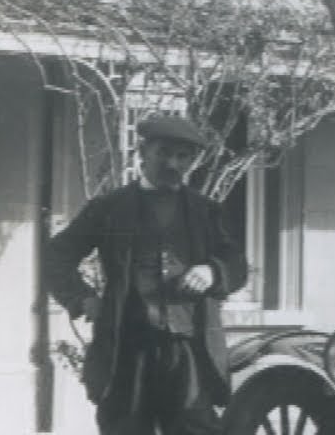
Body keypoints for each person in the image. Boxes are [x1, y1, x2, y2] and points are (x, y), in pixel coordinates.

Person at [45, 115, 247, 435]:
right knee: (125, 428)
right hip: (127, 347)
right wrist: (81, 298)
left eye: (182, 156)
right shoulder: (109, 208)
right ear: (143, 152)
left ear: (192, 162)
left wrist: (213, 271)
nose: (172, 163)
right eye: (163, 152)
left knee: (196, 429)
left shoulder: (206, 211)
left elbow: (237, 263)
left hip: (189, 349)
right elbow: (55, 255)